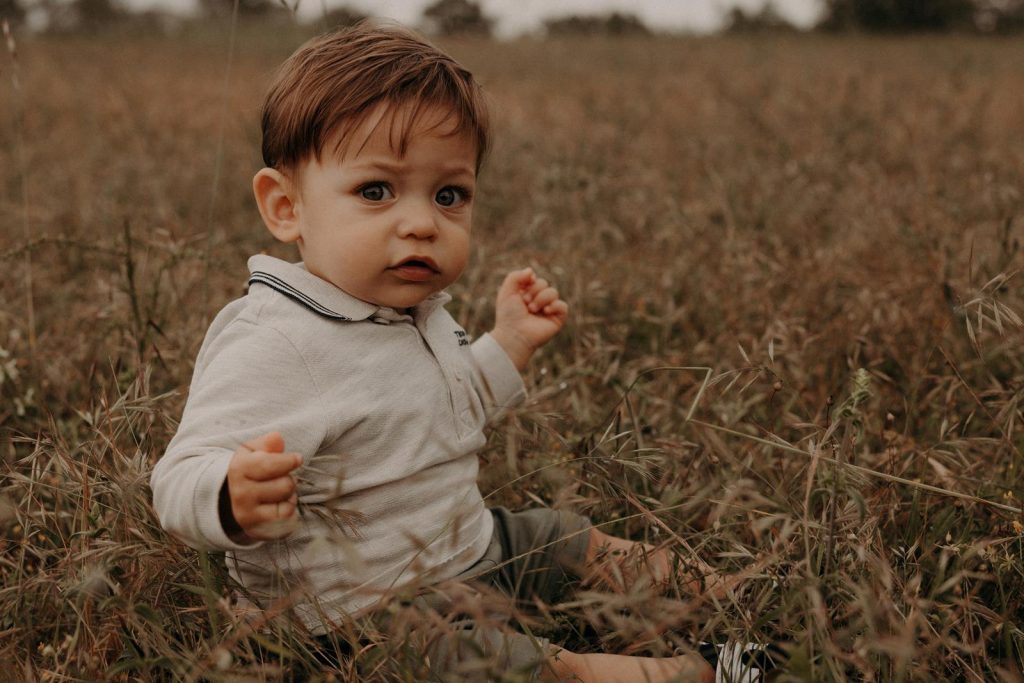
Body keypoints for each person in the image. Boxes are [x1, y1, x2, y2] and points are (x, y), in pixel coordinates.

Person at [151, 21, 726, 682]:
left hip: (472, 547)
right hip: (355, 622)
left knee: (573, 539)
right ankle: (697, 674)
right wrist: (229, 494)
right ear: (286, 207)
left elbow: (444, 409)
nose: (423, 221)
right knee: (507, 666)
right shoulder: (278, 338)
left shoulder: (415, 310)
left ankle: (741, 596)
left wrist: (507, 344)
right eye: (376, 191)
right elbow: (176, 474)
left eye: (449, 195)